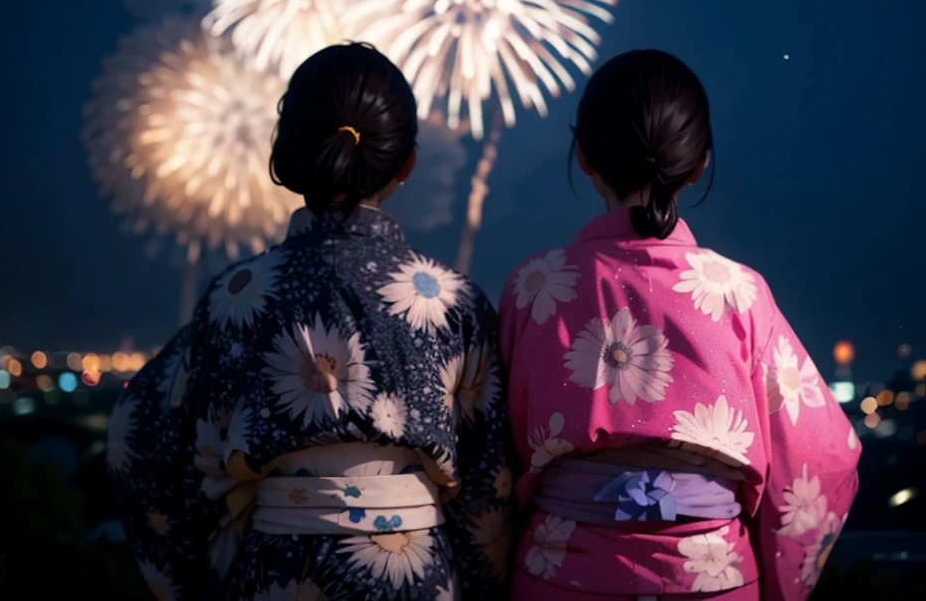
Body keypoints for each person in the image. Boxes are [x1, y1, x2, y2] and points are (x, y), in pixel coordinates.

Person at [108, 43, 514, 601]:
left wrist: (194, 575)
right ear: (406, 163)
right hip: (414, 577)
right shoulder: (455, 301)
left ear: (285, 153)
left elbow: (138, 436)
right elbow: (488, 486)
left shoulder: (234, 297)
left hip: (276, 568)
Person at [498, 49, 860, 600]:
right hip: (711, 576)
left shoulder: (533, 286)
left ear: (585, 157)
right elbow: (821, 454)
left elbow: (494, 451)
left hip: (562, 571)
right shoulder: (740, 293)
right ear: (698, 164)